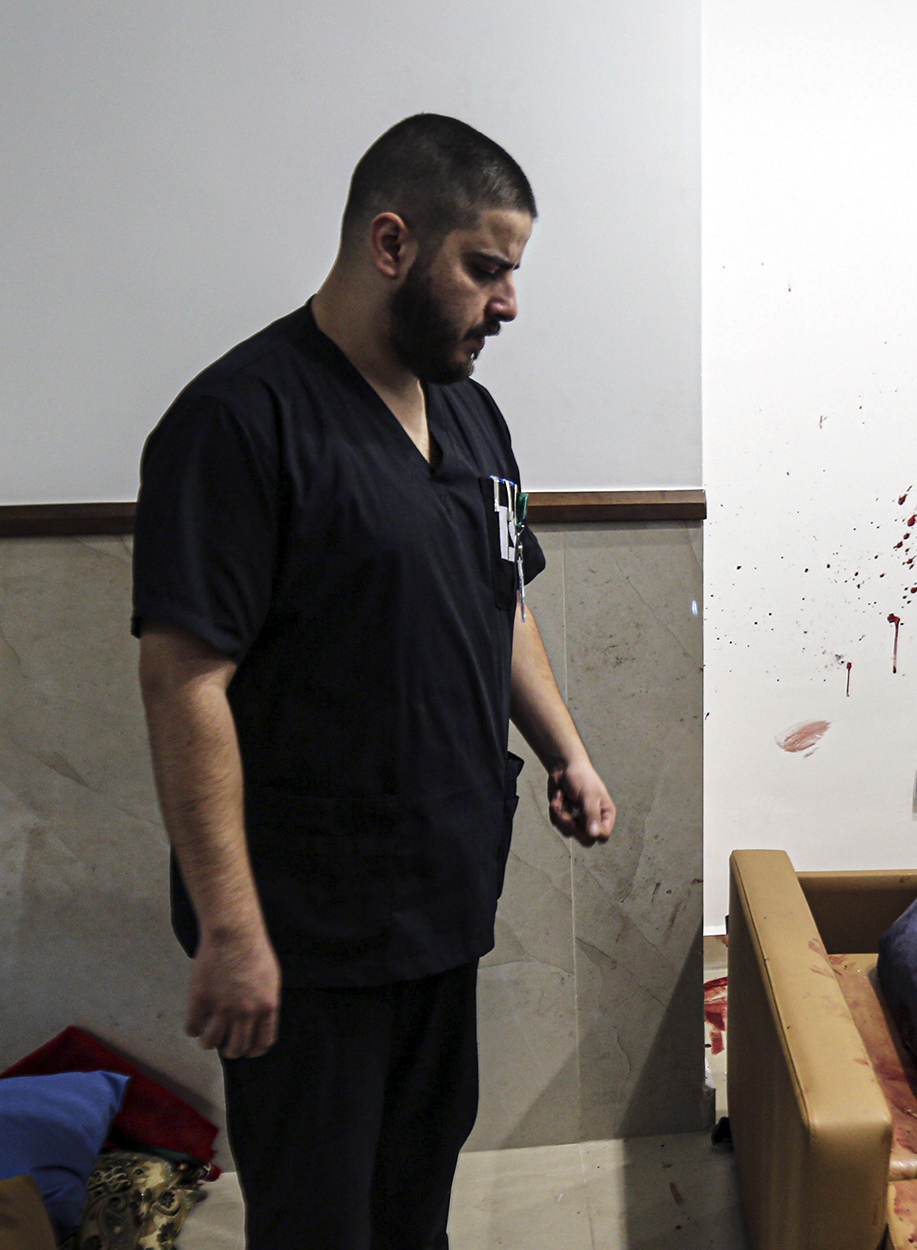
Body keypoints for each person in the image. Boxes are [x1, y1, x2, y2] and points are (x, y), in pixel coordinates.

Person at [131, 114, 615, 1249]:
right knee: (318, 1219)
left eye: (512, 273)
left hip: (442, 895)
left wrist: (568, 750)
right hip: (309, 929)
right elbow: (184, 680)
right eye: (484, 268)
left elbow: (502, 603)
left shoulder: (473, 414)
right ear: (391, 244)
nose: (508, 303)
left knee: (415, 1190)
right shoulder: (238, 421)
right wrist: (232, 929)